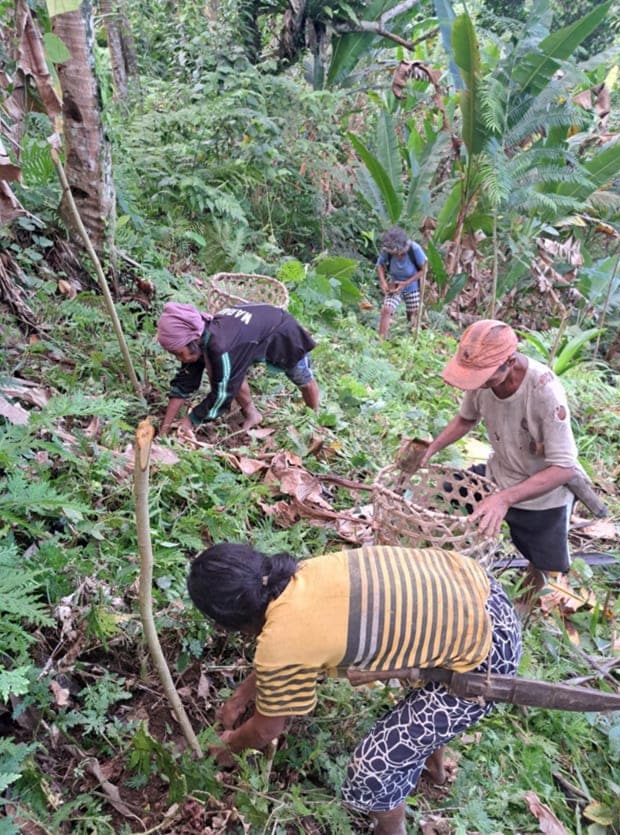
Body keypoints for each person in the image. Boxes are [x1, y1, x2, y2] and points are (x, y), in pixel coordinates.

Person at [187, 542, 521, 835]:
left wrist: (230, 745)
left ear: (227, 620)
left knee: (373, 769)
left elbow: (267, 728)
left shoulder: (283, 639)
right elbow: (283, 652)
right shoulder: (303, 576)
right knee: (420, 715)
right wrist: (239, 697)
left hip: (485, 659)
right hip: (477, 589)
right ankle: (432, 768)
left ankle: (392, 831)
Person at [420, 319, 580, 611]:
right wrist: (431, 448)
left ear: (509, 362)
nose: (478, 384)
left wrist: (504, 499)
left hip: (543, 492)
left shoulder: (544, 391)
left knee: (543, 563)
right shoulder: (481, 378)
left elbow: (564, 468)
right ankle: (441, 576)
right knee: (447, 495)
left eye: (484, 377)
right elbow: (466, 419)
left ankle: (522, 611)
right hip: (499, 473)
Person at [156, 302, 320, 434]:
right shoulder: (199, 339)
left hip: (281, 331)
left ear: (193, 340)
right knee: (233, 374)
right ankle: (252, 414)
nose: (179, 359)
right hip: (250, 332)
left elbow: (223, 394)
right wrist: (165, 427)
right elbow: (184, 384)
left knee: (302, 378)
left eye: (178, 353)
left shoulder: (221, 347)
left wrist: (191, 420)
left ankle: (313, 417)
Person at [376, 226, 427, 340]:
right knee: (386, 310)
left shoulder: (415, 249)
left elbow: (424, 270)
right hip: (394, 285)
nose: (398, 256)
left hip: (412, 286)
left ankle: (411, 340)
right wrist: (383, 282)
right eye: (395, 254)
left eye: (400, 253)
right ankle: (381, 341)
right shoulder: (387, 249)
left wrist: (406, 283)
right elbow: (379, 265)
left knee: (412, 315)